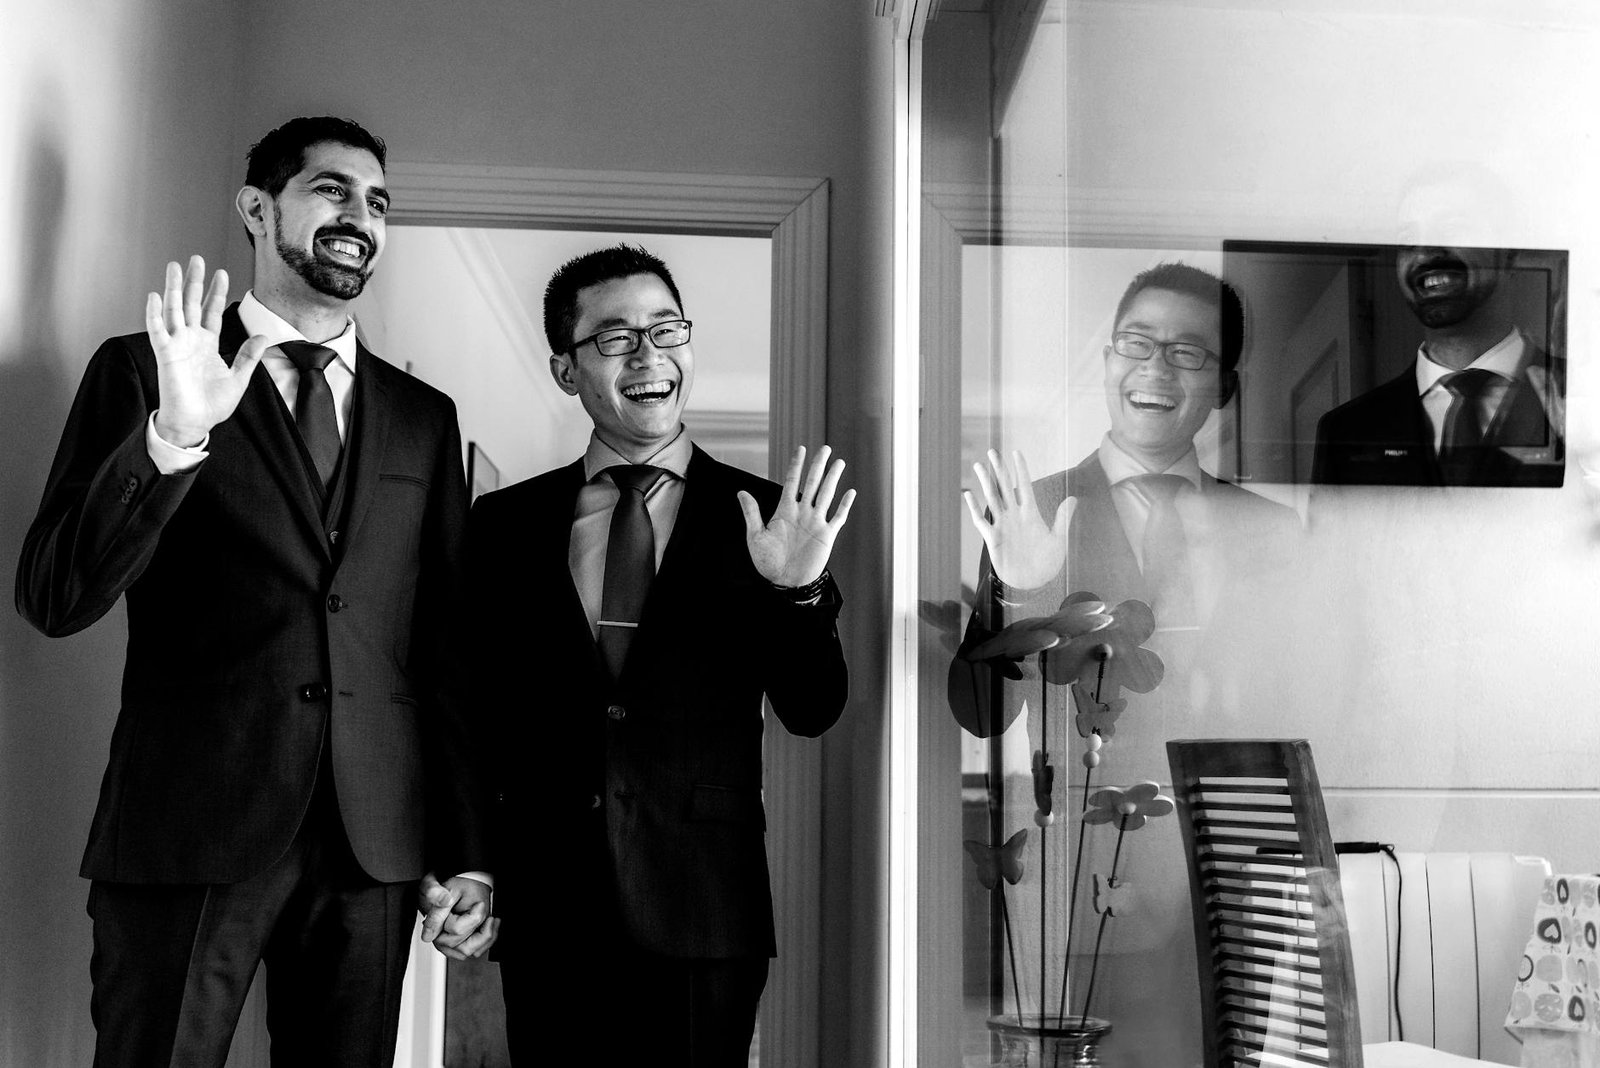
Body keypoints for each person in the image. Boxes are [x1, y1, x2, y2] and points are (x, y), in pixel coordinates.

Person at [15, 116, 493, 1067]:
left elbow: (442, 648)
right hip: (190, 820)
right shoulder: (143, 369)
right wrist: (171, 441)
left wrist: (465, 845)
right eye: (332, 190)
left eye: (379, 202)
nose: (362, 216)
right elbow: (57, 595)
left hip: (375, 846)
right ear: (256, 207)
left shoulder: (423, 420)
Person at [469, 244, 853, 1067]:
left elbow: (813, 707)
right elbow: (472, 712)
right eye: (613, 337)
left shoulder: (773, 519)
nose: (648, 355)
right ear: (566, 371)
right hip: (548, 904)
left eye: (665, 328)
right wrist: (472, 863)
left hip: (705, 903)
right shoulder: (500, 527)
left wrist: (797, 592)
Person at [949, 262, 1297, 737]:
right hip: (1084, 805)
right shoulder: (1032, 509)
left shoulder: (1271, 527)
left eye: (1187, 352)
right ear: (1108, 362)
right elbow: (980, 719)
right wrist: (1015, 594)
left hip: (1235, 803)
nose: (1155, 367)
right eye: (1137, 343)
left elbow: (1305, 697)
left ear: (1224, 387)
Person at [1312, 171, 1565, 487]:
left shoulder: (1582, 398)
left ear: (1509, 250)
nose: (1424, 253)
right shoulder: (1344, 430)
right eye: (1407, 240)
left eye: (1452, 227)